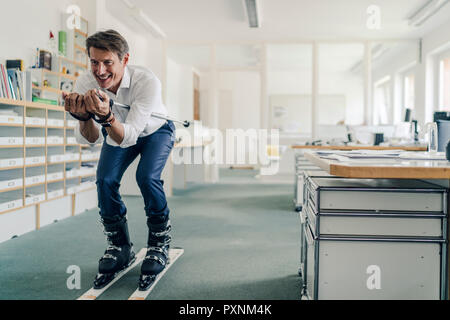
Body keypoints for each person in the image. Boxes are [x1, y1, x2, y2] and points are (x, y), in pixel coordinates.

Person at [62, 30, 175, 290]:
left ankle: (159, 242)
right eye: (94, 62)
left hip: (156, 131)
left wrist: (106, 117)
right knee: (105, 179)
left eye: (108, 62)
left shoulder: (146, 81)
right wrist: (84, 118)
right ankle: (119, 246)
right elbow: (90, 139)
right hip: (117, 130)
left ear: (124, 60)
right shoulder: (84, 82)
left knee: (146, 177)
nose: (100, 70)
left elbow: (131, 135)